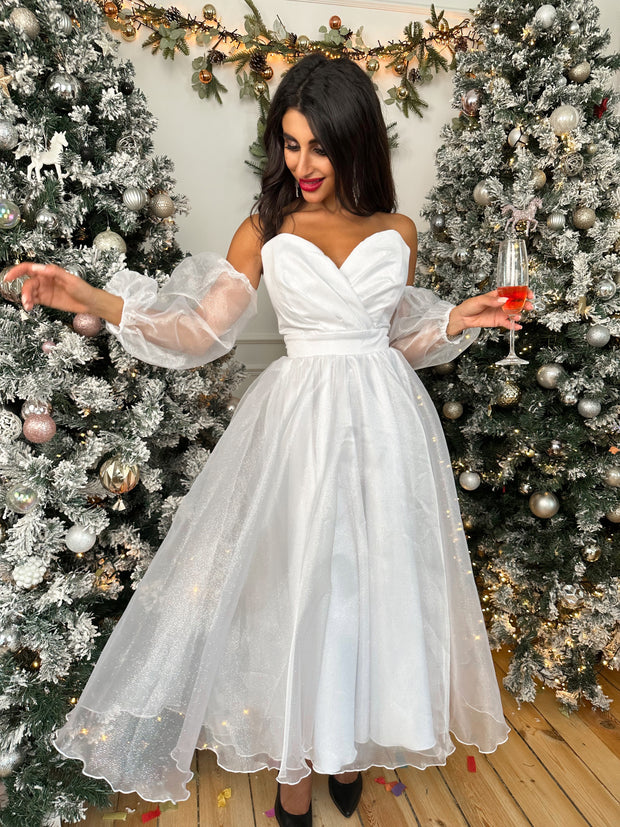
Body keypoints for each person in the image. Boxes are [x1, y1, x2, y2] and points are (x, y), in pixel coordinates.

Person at [5, 53, 526, 827]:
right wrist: (90, 296)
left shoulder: (398, 230)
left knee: (369, 591)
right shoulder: (267, 227)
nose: (303, 165)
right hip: (299, 431)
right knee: (298, 593)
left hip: (386, 429)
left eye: (320, 146)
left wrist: (454, 318)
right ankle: (294, 768)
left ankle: (345, 746)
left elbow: (390, 337)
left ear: (356, 143)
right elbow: (199, 328)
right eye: (290, 143)